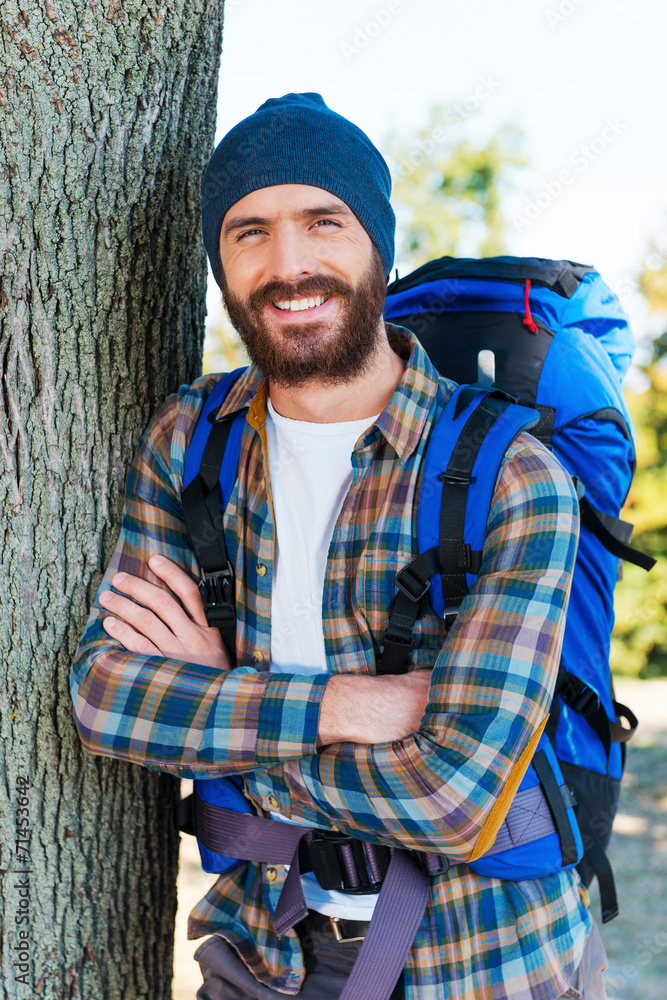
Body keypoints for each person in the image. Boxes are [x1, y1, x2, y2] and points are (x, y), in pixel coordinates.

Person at [70, 93, 609, 999]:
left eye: (324, 221)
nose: (289, 264)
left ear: (376, 244)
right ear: (220, 261)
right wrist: (356, 708)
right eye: (249, 232)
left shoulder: (512, 476)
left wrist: (222, 720)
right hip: (263, 954)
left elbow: (454, 799)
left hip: (492, 961)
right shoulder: (194, 439)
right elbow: (106, 698)